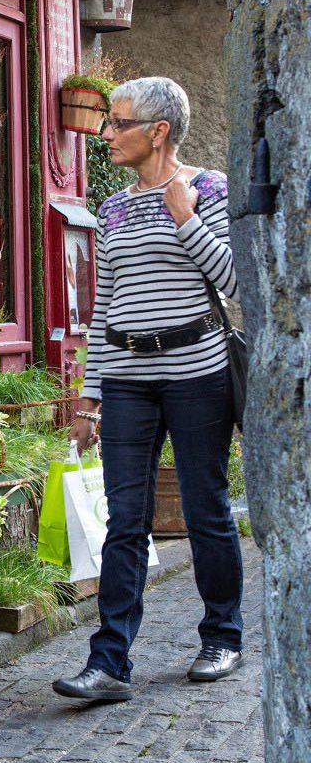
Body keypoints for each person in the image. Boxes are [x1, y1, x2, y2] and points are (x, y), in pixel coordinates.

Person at [53, 76, 243, 703]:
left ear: (158, 131)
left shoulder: (208, 189)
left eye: (119, 123)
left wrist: (185, 218)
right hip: (129, 382)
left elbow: (237, 280)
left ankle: (223, 636)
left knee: (205, 510)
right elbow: (105, 305)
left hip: (197, 372)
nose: (106, 133)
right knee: (125, 521)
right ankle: (109, 662)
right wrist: (90, 394)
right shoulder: (112, 209)